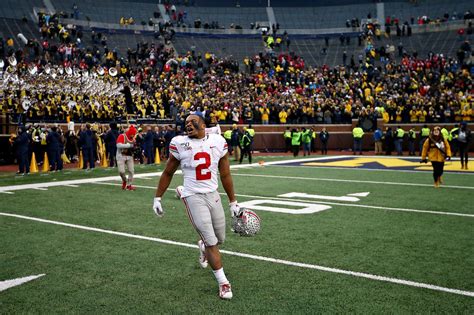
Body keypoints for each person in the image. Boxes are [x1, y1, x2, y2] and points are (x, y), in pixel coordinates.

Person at [152, 113, 239, 300]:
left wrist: (233, 202)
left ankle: (202, 246)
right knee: (212, 241)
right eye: (186, 123)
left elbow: (225, 175)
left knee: (220, 238)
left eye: (193, 121)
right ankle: (224, 283)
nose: (188, 124)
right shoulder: (179, 143)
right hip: (193, 196)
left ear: (203, 124)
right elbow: (168, 172)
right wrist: (157, 197)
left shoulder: (217, 141)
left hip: (213, 194)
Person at [116, 125, 137, 190]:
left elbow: (134, 146)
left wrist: (135, 147)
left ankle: (129, 184)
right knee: (121, 171)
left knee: (131, 170)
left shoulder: (133, 138)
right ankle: (124, 180)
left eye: (134, 134)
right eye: (132, 134)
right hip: (121, 155)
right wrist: (129, 145)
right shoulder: (122, 136)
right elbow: (118, 145)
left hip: (129, 155)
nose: (133, 136)